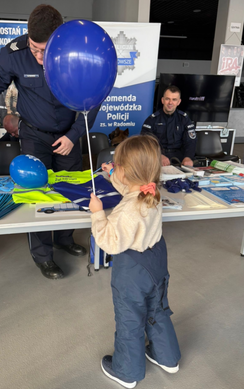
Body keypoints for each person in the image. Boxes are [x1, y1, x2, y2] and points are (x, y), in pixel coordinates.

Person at [0, 4, 100, 280]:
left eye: (45, 50)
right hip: (34, 135)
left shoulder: (77, 53)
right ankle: (43, 255)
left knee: (68, 189)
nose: (39, 56)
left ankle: (64, 238)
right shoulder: (14, 53)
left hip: (68, 136)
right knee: (36, 193)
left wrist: (74, 136)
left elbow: (94, 97)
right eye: (34, 48)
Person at [89, 135, 181, 388]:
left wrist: (98, 215)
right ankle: (168, 358)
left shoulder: (127, 211)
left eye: (116, 165)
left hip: (132, 271)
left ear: (127, 173)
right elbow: (131, 191)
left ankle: (126, 372)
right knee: (158, 310)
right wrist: (111, 175)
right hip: (156, 261)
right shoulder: (151, 193)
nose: (113, 167)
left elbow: (109, 242)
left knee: (130, 318)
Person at [141, 85, 197, 167]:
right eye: (167, 99)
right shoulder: (151, 120)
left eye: (174, 100)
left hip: (179, 159)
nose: (170, 102)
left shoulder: (184, 119)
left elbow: (191, 141)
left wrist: (188, 157)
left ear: (179, 102)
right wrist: (158, 155)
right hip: (157, 157)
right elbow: (146, 142)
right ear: (162, 100)